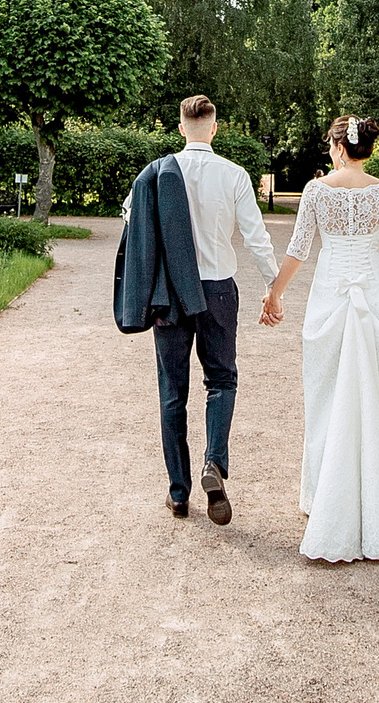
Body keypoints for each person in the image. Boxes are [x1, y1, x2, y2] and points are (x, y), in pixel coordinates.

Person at [112, 95, 278, 525]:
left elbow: (131, 222)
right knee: (222, 379)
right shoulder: (234, 174)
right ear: (215, 128)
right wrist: (273, 287)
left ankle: (179, 494)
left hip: (170, 293)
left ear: (181, 128)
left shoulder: (155, 173)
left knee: (173, 391)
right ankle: (214, 463)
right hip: (218, 290)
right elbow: (256, 236)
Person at [260, 114, 379, 563]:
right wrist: (375, 266)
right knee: (375, 395)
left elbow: (299, 249)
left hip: (331, 296)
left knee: (324, 393)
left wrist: (274, 294)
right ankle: (370, 502)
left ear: (340, 148)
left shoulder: (316, 191)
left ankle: (321, 493)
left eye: (330, 144)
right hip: (373, 296)